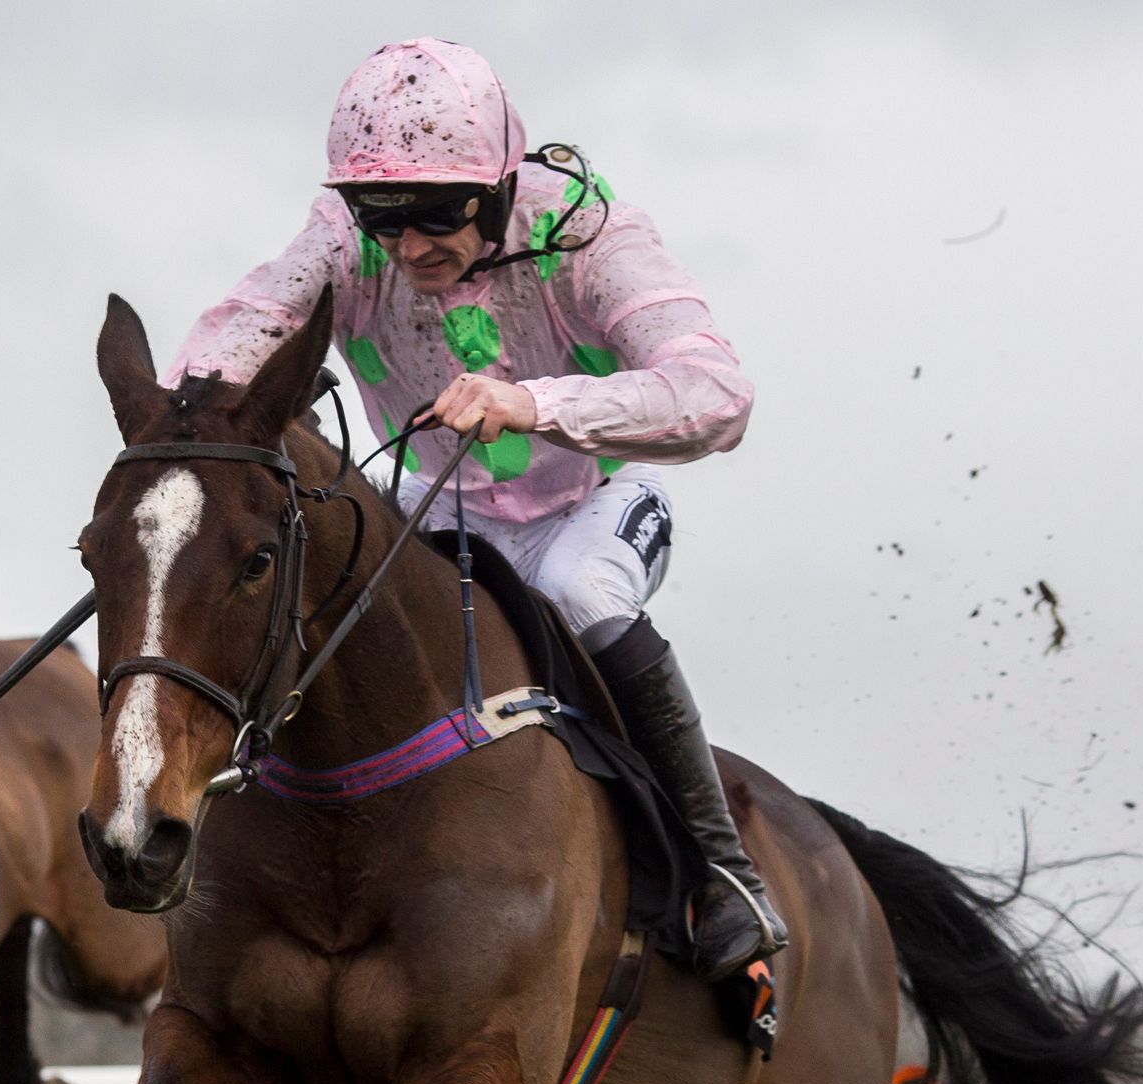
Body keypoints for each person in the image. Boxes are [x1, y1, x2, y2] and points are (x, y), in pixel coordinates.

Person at [168, 39, 785, 981]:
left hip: (595, 499)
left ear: (498, 188)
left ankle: (725, 869)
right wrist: (195, 414)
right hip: (435, 510)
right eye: (384, 218)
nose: (411, 247)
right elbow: (232, 338)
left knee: (578, 589)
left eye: (437, 215)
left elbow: (718, 396)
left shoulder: (590, 232)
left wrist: (534, 403)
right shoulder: (342, 241)